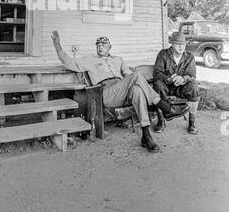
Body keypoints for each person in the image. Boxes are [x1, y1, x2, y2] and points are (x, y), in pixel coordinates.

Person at [51, 31, 189, 153]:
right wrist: (57, 45)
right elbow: (68, 62)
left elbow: (129, 75)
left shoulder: (118, 60)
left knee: (137, 90)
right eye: (98, 44)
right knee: (136, 76)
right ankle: (165, 107)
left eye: (103, 45)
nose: (100, 47)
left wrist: (134, 79)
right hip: (105, 93)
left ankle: (146, 136)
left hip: (121, 89)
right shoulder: (89, 59)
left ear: (109, 48)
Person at [153, 31, 199, 135]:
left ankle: (192, 122)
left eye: (183, 44)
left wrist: (183, 79)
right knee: (158, 84)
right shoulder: (163, 54)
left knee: (194, 86)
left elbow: (192, 75)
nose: (181, 47)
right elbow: (156, 73)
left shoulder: (189, 56)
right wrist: (167, 78)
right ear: (172, 44)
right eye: (178, 44)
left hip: (181, 88)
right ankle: (161, 120)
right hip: (167, 87)